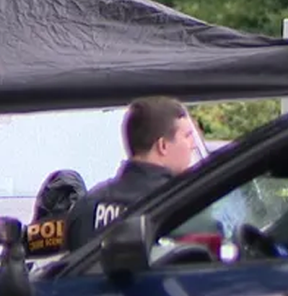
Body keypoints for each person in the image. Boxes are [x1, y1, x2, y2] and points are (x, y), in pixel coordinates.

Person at [65, 96, 203, 251]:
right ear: (162, 145)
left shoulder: (87, 205)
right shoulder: (184, 205)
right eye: (187, 136)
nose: (192, 145)